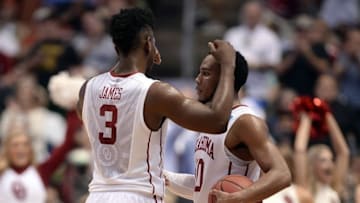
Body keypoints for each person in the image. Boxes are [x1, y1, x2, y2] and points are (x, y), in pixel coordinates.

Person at [77, 8, 237, 203]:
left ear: (116, 45)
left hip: (97, 196)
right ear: (148, 42)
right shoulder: (155, 93)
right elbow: (217, 121)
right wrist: (228, 65)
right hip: (137, 195)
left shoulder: (88, 89)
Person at [164, 52, 291, 203]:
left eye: (205, 74)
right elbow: (203, 187)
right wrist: (162, 176)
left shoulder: (245, 121)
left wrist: (239, 196)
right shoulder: (209, 124)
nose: (197, 79)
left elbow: (282, 174)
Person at [0, 110, 81, 203]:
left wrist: (73, 110)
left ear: (30, 149)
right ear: (7, 150)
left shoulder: (42, 171)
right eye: (15, 145)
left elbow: (67, 144)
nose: (20, 149)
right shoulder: (1, 173)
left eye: (25, 144)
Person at [293, 110, 350, 203]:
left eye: (331, 160)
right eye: (323, 160)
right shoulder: (305, 189)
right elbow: (300, 150)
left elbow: (343, 153)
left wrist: (327, 114)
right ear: (312, 164)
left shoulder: (333, 187)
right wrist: (308, 116)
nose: (330, 164)